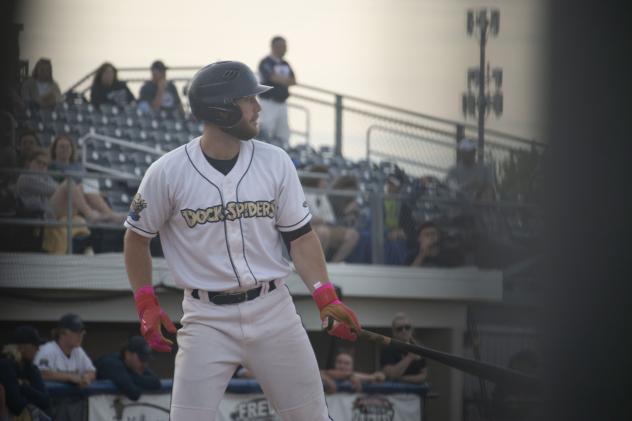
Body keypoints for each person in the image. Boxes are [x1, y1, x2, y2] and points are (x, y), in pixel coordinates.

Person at [123, 60, 361, 421]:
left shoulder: (275, 162)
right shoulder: (167, 172)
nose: (258, 107)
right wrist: (146, 304)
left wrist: (324, 294)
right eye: (248, 99)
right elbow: (136, 238)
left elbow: (301, 236)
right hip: (205, 319)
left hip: (273, 311)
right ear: (221, 107)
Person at [49, 134, 125, 223]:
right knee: (81, 186)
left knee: (88, 183)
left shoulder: (78, 166)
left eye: (68, 147)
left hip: (82, 200)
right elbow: (57, 186)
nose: (65, 149)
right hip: (63, 200)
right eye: (62, 147)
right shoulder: (51, 167)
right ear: (55, 150)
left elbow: (89, 182)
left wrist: (96, 192)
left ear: (72, 149)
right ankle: (97, 215)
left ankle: (109, 214)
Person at [301, 165, 360, 262]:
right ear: (317, 180)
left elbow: (330, 218)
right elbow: (300, 217)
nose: (327, 183)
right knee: (324, 232)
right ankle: (317, 264)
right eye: (325, 180)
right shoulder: (303, 192)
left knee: (352, 235)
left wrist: (323, 221)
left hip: (325, 227)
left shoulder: (323, 195)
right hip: (308, 228)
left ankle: (334, 263)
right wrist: (314, 220)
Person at [0, 326, 51, 418]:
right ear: (21, 347)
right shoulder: (6, 365)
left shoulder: (32, 369)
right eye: (35, 345)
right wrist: (32, 395)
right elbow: (16, 405)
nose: (38, 349)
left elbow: (45, 401)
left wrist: (23, 386)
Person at [34, 313, 96, 388]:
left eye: (82, 332)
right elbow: (40, 373)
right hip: (51, 398)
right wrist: (69, 377)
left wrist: (87, 377)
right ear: (63, 333)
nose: (81, 335)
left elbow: (92, 371)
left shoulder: (78, 351)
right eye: (78, 332)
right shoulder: (47, 350)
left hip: (72, 398)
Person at [94, 336, 161, 401]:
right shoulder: (111, 364)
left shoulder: (135, 366)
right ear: (128, 355)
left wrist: (129, 378)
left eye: (146, 360)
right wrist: (131, 379)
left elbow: (156, 382)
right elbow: (134, 393)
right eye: (142, 359)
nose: (145, 364)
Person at [258, 36, 296, 148]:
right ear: (274, 47)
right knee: (267, 130)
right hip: (268, 102)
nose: (285, 49)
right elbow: (271, 77)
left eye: (285, 47)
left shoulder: (285, 63)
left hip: (282, 103)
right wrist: (284, 80)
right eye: (282, 46)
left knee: (283, 133)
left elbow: (293, 81)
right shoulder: (266, 62)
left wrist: (280, 79)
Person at [380, 313, 427, 384]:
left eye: (407, 327)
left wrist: (402, 379)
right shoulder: (388, 349)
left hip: (417, 391)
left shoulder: (418, 347)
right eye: (399, 329)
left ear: (412, 330)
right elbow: (391, 375)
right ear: (394, 332)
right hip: (395, 392)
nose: (404, 331)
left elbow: (423, 376)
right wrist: (410, 357)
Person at [320, 351, 385, 394]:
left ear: (352, 366)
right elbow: (320, 372)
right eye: (339, 362)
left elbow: (380, 378)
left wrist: (376, 376)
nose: (342, 366)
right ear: (334, 364)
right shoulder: (326, 375)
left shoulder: (359, 377)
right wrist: (327, 379)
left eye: (346, 363)